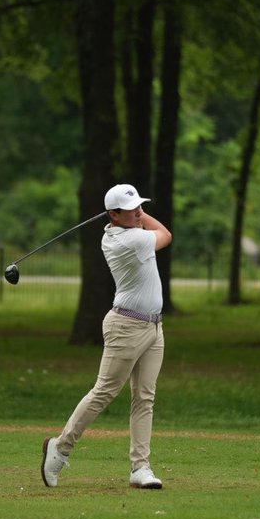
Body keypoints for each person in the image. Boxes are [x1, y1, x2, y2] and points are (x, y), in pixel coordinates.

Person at [41, 183, 172, 490]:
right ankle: (60, 448)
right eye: (132, 210)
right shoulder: (130, 240)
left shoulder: (125, 230)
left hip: (154, 327)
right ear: (113, 215)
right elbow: (165, 235)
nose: (139, 213)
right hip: (126, 327)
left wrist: (135, 211)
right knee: (104, 392)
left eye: (140, 207)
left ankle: (141, 468)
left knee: (145, 398)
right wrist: (143, 217)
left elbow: (149, 227)